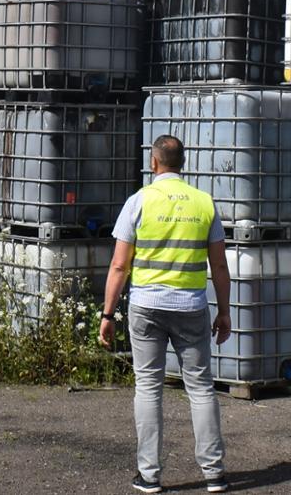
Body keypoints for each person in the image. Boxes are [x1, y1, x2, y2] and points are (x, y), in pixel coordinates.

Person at [99, 134, 231, 494]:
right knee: (201, 388)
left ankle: (150, 476)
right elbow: (218, 264)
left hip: (146, 307)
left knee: (149, 388)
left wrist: (108, 314)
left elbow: (118, 265)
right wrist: (224, 311)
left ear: (154, 163)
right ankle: (214, 474)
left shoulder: (139, 201)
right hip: (191, 307)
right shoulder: (204, 203)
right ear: (182, 163)